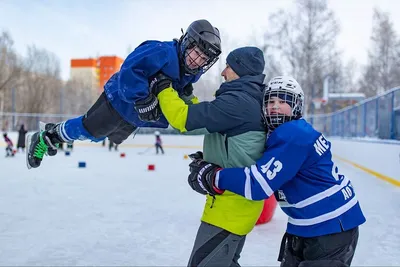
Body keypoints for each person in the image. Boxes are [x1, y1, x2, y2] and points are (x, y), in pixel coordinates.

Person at [186, 76, 366, 266]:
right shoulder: (287, 131)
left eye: (283, 101)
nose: (275, 106)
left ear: (296, 105)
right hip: (309, 225)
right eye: (270, 101)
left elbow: (257, 185)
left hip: (331, 227)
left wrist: (213, 176)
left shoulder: (293, 133)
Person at [26, 19, 221, 169]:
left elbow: (175, 87)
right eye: (196, 53)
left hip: (135, 117)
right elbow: (131, 68)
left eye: (204, 59)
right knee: (88, 129)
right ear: (187, 42)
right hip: (119, 101)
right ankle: (46, 137)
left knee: (97, 137)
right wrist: (141, 97)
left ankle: (56, 134)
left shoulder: (190, 72)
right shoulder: (162, 51)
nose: (197, 61)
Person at [150, 46, 266, 266]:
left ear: (241, 70)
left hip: (229, 211)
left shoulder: (238, 103)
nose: (223, 72)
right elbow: (204, 119)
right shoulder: (249, 99)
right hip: (237, 207)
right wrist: (186, 95)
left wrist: (163, 87)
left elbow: (183, 121)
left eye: (229, 67)